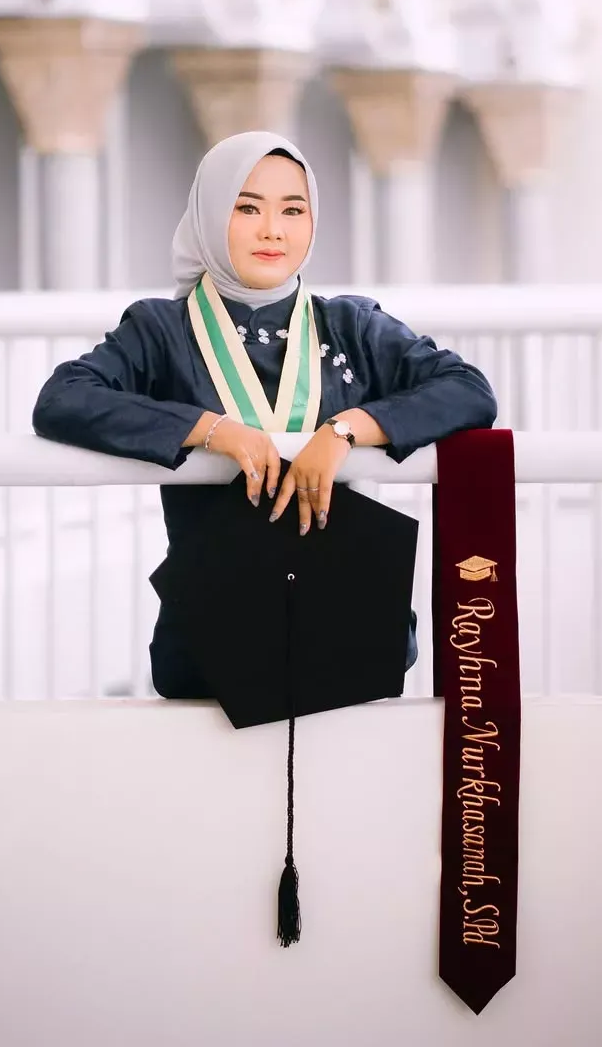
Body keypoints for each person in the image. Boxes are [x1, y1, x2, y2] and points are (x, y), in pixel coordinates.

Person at [31, 129, 498, 697]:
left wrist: (345, 430)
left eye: (292, 210)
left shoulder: (350, 326)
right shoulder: (162, 331)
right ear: (208, 215)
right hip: (214, 638)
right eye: (247, 207)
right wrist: (212, 430)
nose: (273, 229)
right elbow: (62, 399)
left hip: (345, 627)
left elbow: (469, 390)